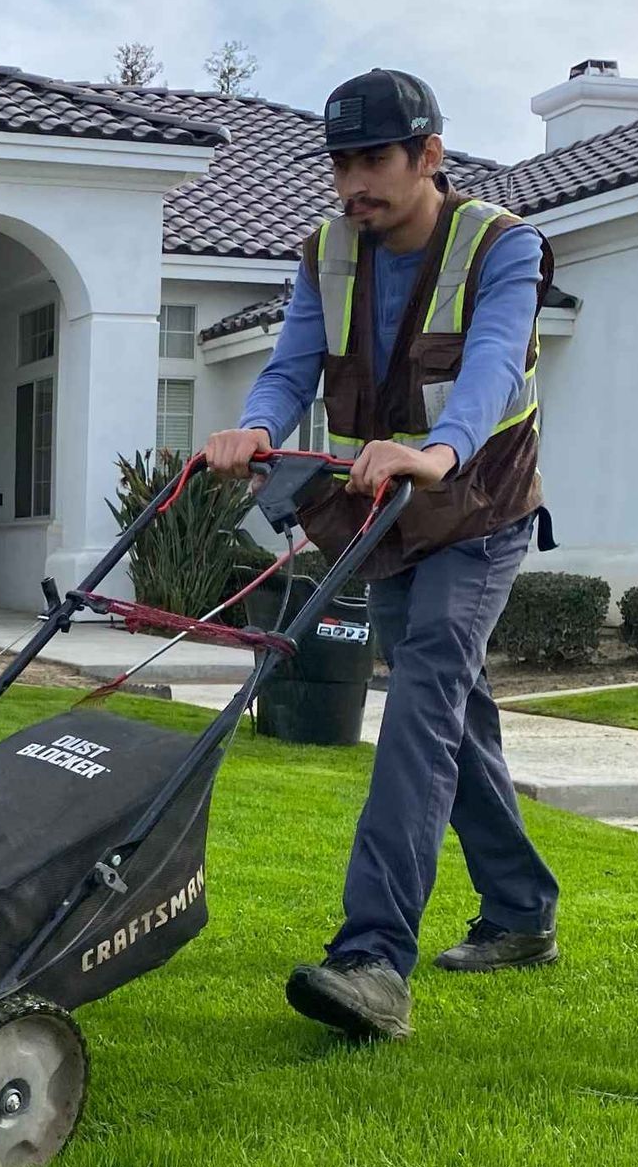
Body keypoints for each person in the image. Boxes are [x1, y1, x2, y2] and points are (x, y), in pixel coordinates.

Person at [202, 67, 560, 1043]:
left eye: (372, 161)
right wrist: (253, 429)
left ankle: (372, 957)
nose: (353, 183)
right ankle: (523, 908)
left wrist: (438, 451)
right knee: (451, 707)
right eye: (341, 163)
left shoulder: (503, 245)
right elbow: (287, 368)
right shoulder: (325, 251)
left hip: (479, 507)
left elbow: (490, 369)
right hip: (390, 515)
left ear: (428, 157)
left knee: (420, 701)